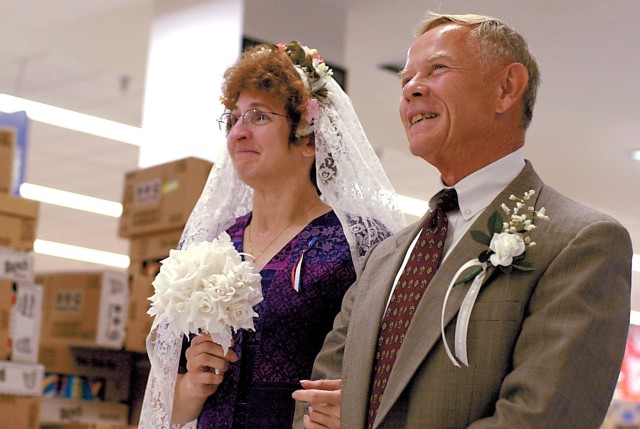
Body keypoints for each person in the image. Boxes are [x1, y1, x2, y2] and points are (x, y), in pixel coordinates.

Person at [293, 12, 632, 429]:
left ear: (506, 88)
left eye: (437, 69)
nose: (412, 89)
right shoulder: (387, 256)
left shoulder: (581, 241)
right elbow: (317, 395)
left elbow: (540, 418)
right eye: (405, 80)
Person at [138, 40, 407, 429]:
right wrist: (195, 384)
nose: (239, 133)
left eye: (259, 117)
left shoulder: (355, 244)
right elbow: (167, 410)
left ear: (309, 139)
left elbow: (388, 373)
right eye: (233, 120)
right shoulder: (213, 244)